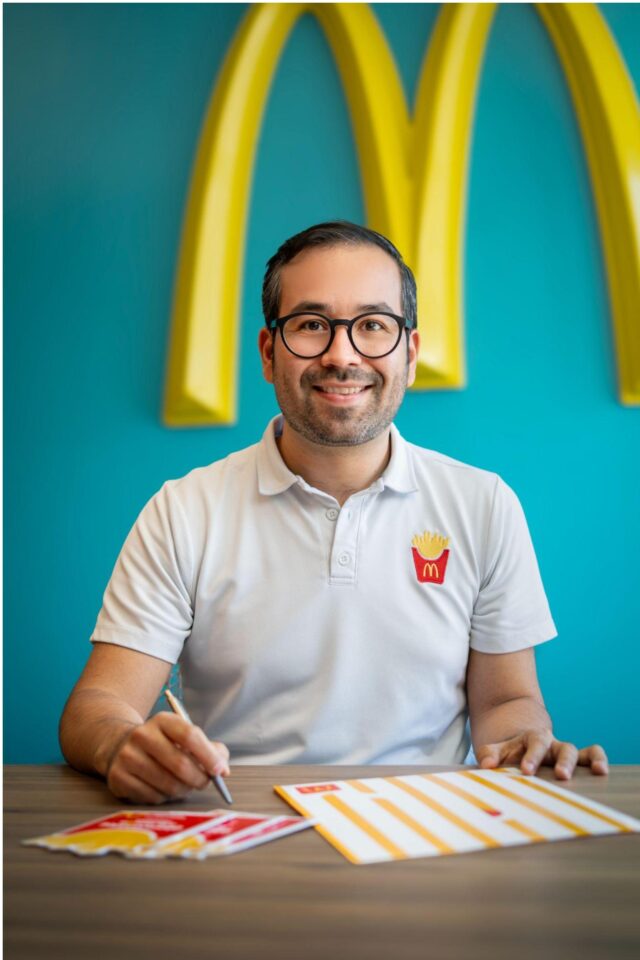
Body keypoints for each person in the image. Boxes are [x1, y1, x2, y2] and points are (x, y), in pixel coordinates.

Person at [60, 221, 608, 803]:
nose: (341, 355)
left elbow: (506, 702)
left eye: (373, 325)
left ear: (410, 354)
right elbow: (99, 705)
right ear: (269, 353)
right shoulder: (184, 511)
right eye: (311, 324)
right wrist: (120, 745)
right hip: (239, 824)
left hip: (428, 829)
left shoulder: (484, 505)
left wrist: (524, 743)